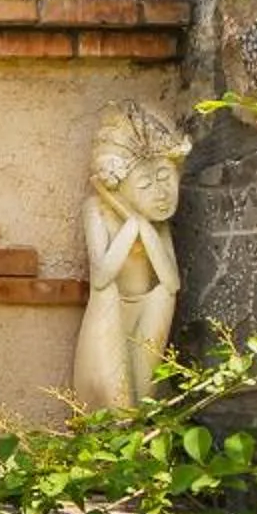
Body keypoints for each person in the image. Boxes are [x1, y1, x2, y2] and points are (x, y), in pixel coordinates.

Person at [73, 103, 187, 410]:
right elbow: (101, 277)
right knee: (117, 399)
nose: (161, 193)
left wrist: (141, 222)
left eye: (165, 177)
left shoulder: (159, 224)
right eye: (146, 184)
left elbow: (171, 282)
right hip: (111, 307)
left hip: (149, 308)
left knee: (144, 393)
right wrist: (131, 221)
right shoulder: (96, 209)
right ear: (120, 186)